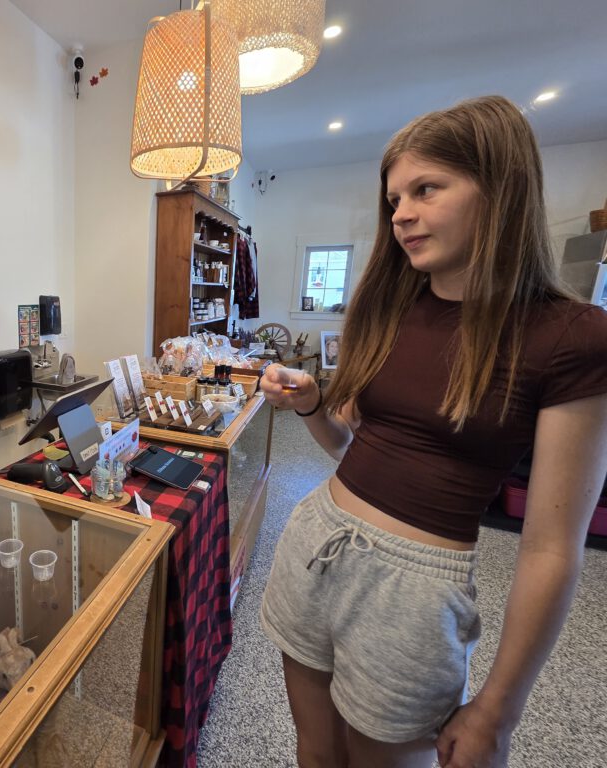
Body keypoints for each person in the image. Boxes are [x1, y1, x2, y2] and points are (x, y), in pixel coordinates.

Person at [257, 96, 607, 768]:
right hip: (314, 544)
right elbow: (348, 446)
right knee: (315, 752)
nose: (400, 215)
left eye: (426, 189)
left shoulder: (569, 337)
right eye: (394, 199)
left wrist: (499, 710)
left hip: (414, 595)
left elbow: (551, 549)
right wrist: (313, 406)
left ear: (500, 189)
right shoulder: (389, 308)